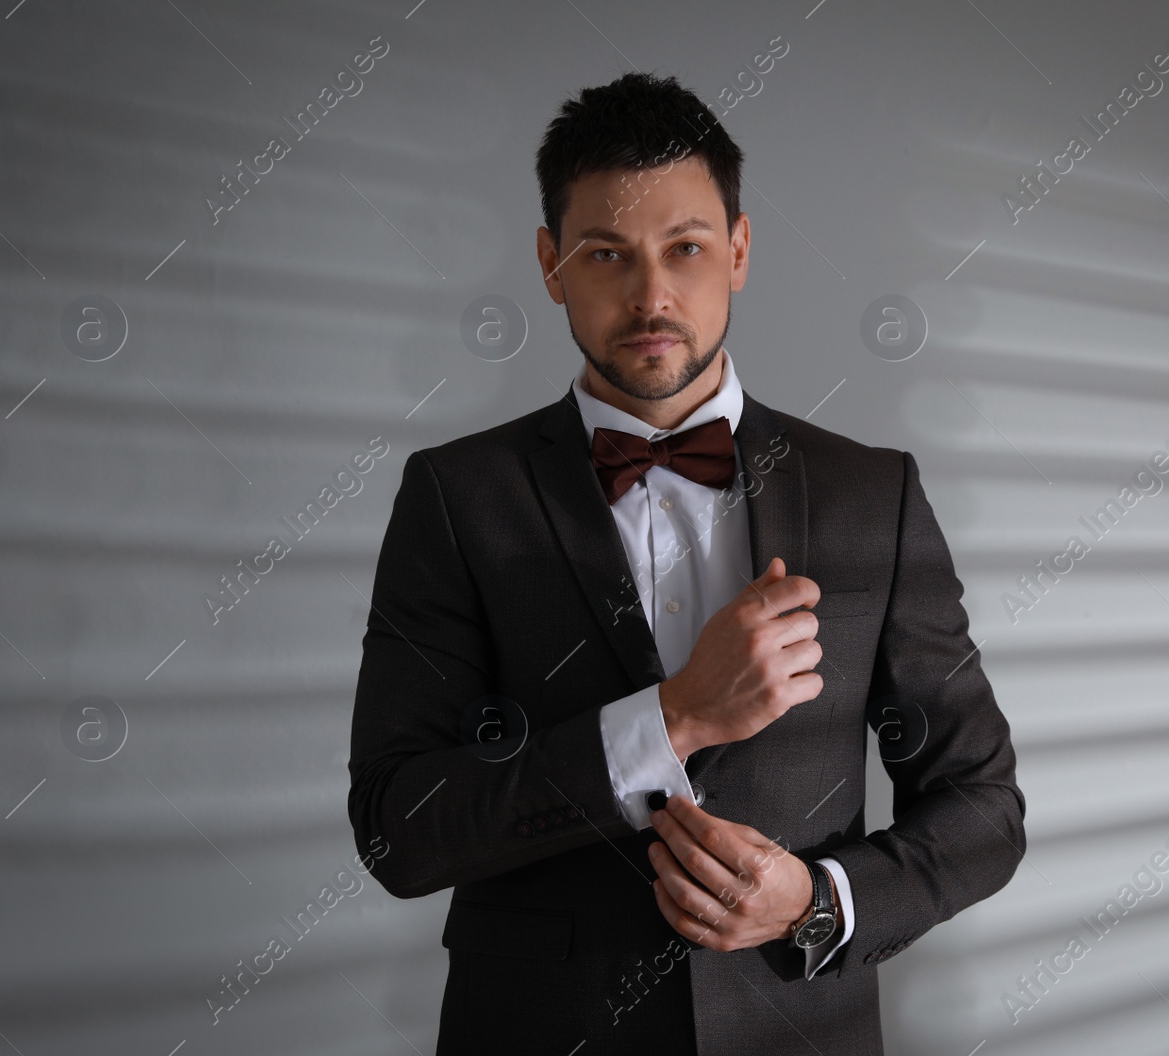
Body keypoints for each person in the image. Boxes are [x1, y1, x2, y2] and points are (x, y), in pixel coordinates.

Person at [347, 70, 1025, 1056]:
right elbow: (397, 828)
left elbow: (982, 808)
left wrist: (815, 900)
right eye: (606, 254)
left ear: (739, 252)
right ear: (549, 265)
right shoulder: (457, 497)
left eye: (687, 249)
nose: (652, 293)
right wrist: (675, 718)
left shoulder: (869, 495)